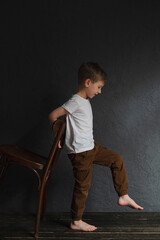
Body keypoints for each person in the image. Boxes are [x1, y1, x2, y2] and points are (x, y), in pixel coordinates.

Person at [49, 62, 143, 232]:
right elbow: (53, 116)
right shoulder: (75, 101)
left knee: (116, 159)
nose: (100, 91)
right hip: (80, 153)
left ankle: (123, 195)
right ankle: (76, 220)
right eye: (98, 87)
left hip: (91, 148)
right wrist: (58, 135)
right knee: (83, 187)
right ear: (88, 83)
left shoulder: (84, 101)